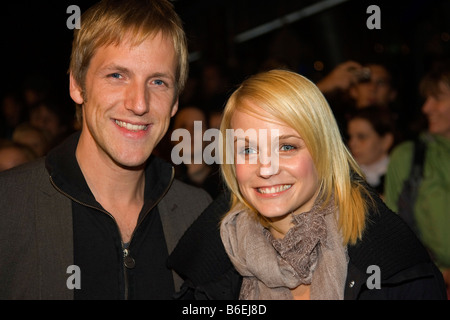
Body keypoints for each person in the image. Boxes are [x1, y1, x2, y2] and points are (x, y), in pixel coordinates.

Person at [0, 0, 212, 300]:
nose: (139, 103)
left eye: (158, 81)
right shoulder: (8, 207)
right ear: (77, 84)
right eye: (117, 75)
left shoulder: (198, 213)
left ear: (175, 101)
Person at [216, 69, 445, 299]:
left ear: (323, 151)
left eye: (287, 147)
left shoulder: (394, 266)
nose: (266, 169)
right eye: (247, 150)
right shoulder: (212, 271)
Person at [384, 60, 450, 297]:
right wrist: (435, 271)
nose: (426, 108)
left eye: (438, 98)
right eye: (426, 99)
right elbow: (392, 232)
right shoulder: (410, 156)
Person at [347, 106, 396, 197]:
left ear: (386, 141)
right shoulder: (345, 177)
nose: (352, 143)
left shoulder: (399, 178)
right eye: (350, 137)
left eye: (361, 137)